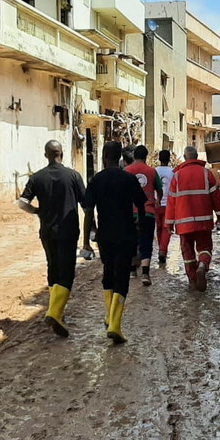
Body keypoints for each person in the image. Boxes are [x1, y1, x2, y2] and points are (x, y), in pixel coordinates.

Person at [16, 140, 86, 338]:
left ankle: (57, 311)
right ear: (61, 154)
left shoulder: (37, 177)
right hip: (69, 231)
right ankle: (54, 312)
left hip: (47, 231)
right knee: (67, 272)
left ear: (46, 155)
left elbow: (22, 203)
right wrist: (93, 229)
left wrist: (37, 211)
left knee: (53, 268)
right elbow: (86, 204)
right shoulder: (73, 176)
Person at [82, 141, 148, 345]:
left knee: (108, 275)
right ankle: (115, 325)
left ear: (103, 156)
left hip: (105, 237)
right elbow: (142, 208)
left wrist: (85, 242)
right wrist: (140, 238)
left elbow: (87, 213)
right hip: (126, 235)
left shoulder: (96, 180)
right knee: (122, 278)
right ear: (119, 156)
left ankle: (109, 317)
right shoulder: (128, 179)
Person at [165, 146, 220, 292]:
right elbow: (215, 197)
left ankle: (192, 281)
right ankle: (202, 266)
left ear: (185, 158)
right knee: (205, 248)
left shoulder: (177, 176)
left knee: (187, 252)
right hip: (203, 221)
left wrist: (169, 222)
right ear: (197, 156)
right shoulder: (206, 174)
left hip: (183, 223)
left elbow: (171, 201)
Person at [124, 144, 162, 286]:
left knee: (131, 241)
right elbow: (159, 189)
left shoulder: (126, 170)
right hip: (148, 213)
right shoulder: (152, 171)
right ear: (146, 157)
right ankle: (145, 273)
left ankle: (132, 270)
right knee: (146, 241)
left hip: (129, 213)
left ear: (134, 156)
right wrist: (157, 201)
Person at [154, 149, 175, 265]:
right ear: (169, 159)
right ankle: (163, 250)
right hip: (168, 205)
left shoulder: (154, 171)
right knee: (167, 229)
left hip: (156, 204)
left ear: (159, 159)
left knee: (159, 228)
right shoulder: (172, 173)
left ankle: (161, 250)